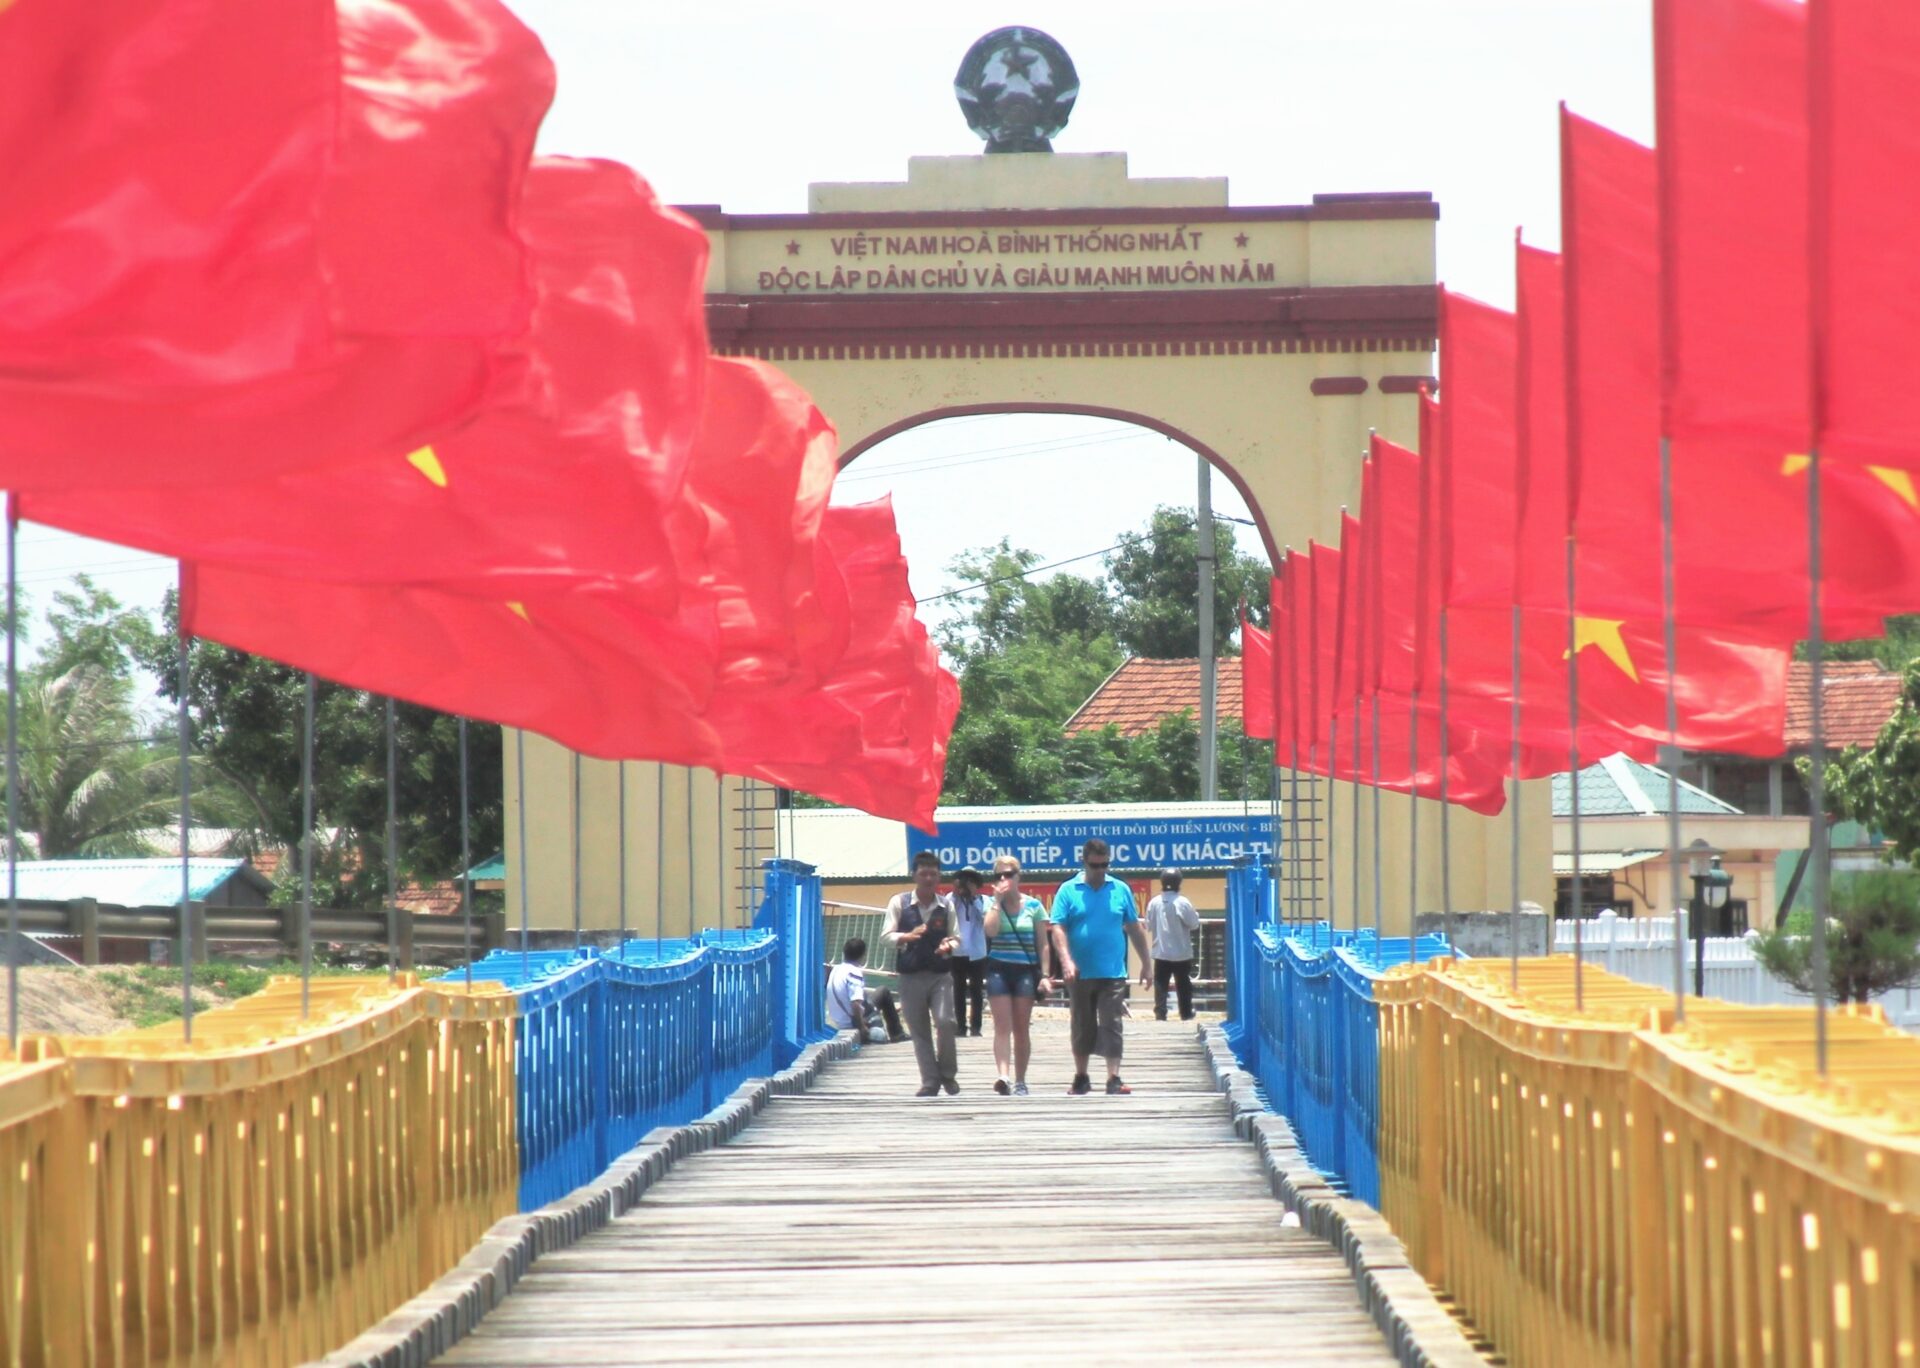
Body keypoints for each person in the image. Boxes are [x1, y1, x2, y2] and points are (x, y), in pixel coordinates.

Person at [1047, 838, 1152, 1095]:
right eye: (1095, 865)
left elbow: (1133, 927)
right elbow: (1058, 927)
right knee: (1082, 1023)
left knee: (1112, 1023)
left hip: (1112, 970)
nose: (1101, 870)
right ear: (1084, 862)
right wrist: (1066, 960)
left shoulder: (1120, 889)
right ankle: (1081, 1076)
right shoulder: (1068, 890)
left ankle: (1113, 1077)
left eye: (1105, 864)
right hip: (1079, 971)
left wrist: (1147, 963)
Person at [882, 850, 960, 1096]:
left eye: (933, 874)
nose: (928, 878)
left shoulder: (946, 905)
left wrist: (950, 945)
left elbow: (957, 937)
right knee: (919, 1030)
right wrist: (906, 936)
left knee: (946, 1022)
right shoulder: (899, 902)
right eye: (923, 873)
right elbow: (885, 936)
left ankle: (948, 1074)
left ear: (939, 877)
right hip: (911, 975)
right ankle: (930, 1081)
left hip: (940, 975)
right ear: (914, 875)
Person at [980, 855, 1051, 1096]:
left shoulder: (1033, 906)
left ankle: (1021, 1080)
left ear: (1018, 876)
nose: (1003, 879)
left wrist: (1045, 974)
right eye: (998, 875)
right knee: (1002, 1026)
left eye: (1009, 874)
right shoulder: (990, 904)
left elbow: (1043, 943)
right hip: (999, 967)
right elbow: (990, 931)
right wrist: (997, 901)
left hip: (1024, 970)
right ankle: (1003, 1076)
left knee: (1022, 1027)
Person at [1144, 869, 1202, 1021]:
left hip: (1161, 951)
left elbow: (1148, 926)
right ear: (1179, 882)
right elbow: (1194, 924)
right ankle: (1186, 1012)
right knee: (1183, 984)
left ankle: (1160, 1013)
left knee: (1160, 983)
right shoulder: (1182, 902)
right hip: (1181, 951)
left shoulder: (1154, 902)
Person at [825, 938, 904, 1043]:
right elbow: (855, 1004)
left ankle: (894, 1033)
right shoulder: (853, 972)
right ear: (863, 955)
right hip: (851, 1023)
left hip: (841, 1019)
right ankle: (897, 1035)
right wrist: (861, 1027)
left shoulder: (837, 969)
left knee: (881, 992)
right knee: (883, 993)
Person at [948, 866, 989, 1037]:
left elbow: (986, 918)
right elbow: (946, 913)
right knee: (958, 990)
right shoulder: (951, 899)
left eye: (971, 882)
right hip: (957, 951)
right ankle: (960, 1026)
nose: (967, 885)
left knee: (976, 990)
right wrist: (958, 893)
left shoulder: (984, 899)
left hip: (977, 951)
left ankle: (976, 1027)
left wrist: (974, 898)